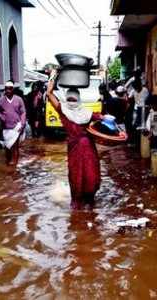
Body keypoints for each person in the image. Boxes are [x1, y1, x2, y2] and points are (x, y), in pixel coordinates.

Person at [46, 70, 104, 210]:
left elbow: (103, 120)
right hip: (75, 151)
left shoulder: (87, 113)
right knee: (76, 176)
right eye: (69, 99)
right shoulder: (64, 110)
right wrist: (53, 76)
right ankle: (78, 207)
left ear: (78, 99)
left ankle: (89, 205)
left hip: (89, 150)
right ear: (66, 100)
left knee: (91, 175)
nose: (71, 102)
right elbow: (49, 94)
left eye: (73, 99)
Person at [0, 80, 27, 166]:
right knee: (7, 147)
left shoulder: (19, 99)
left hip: (16, 126)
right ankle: (9, 160)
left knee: (15, 146)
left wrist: (22, 123)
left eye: (10, 89)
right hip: (6, 127)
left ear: (13, 89)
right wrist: (2, 117)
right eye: (6, 89)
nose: (8, 91)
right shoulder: (1, 100)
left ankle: (14, 164)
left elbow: (23, 112)